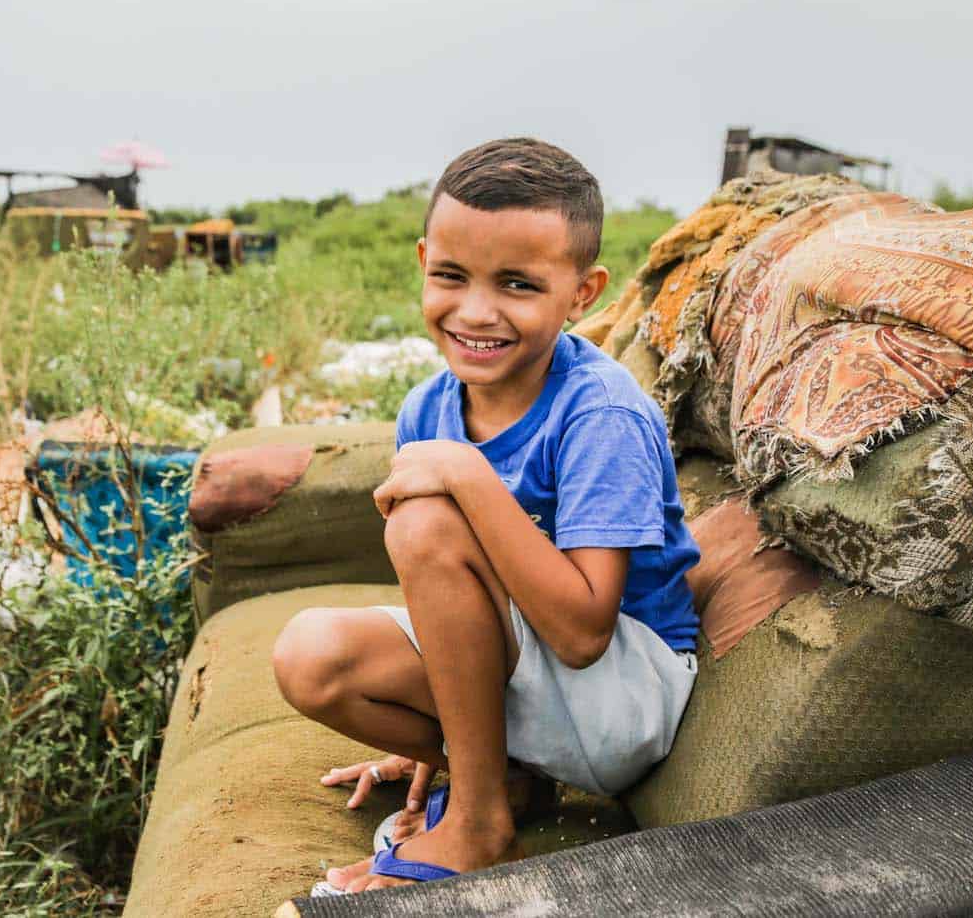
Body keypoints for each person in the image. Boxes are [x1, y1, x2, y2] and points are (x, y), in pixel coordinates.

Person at [271, 137, 701, 894]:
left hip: (624, 693)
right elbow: (453, 602)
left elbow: (580, 633)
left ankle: (476, 822)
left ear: (583, 292)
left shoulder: (601, 414)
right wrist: (442, 740)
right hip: (531, 673)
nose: (476, 311)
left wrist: (470, 476)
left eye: (517, 284)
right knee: (311, 655)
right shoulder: (428, 407)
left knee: (427, 520)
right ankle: (497, 770)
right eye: (451, 275)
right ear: (421, 262)